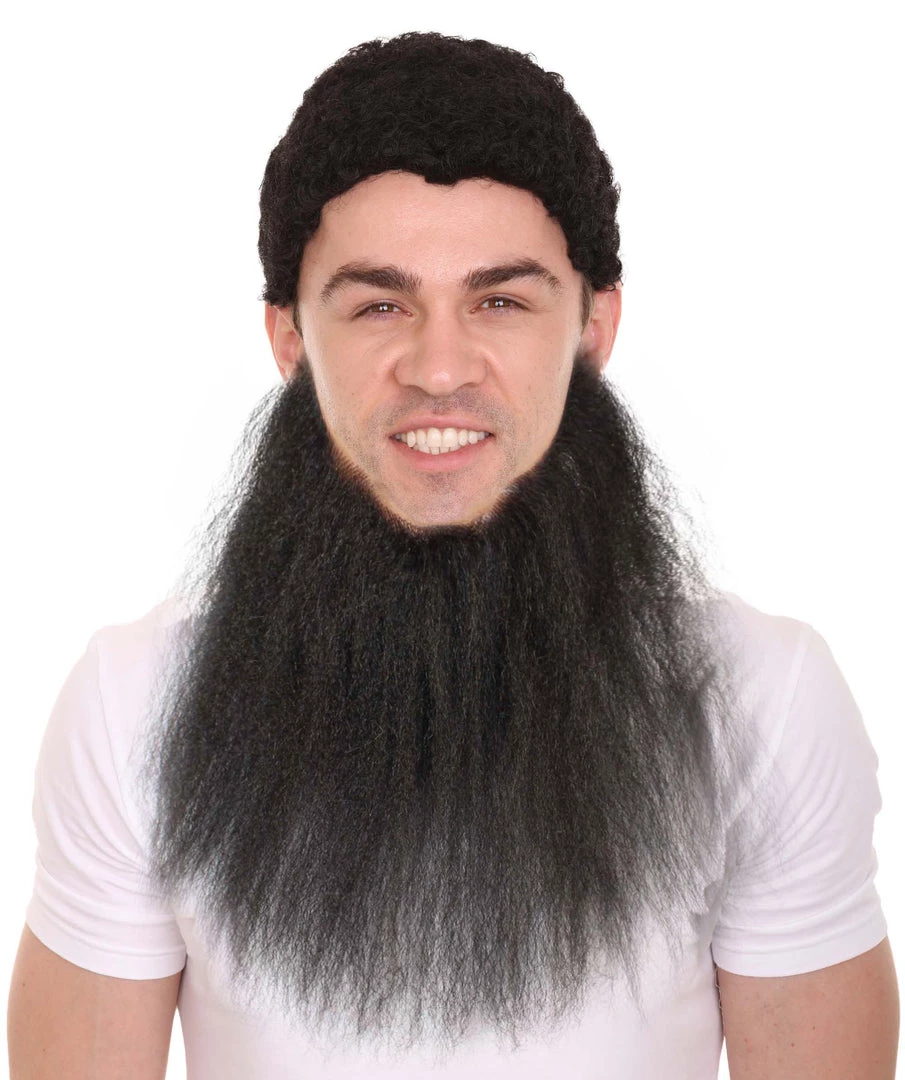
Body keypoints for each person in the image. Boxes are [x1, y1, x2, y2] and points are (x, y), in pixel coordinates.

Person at [7, 30, 898, 1080]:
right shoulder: (133, 702)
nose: (438, 369)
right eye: (379, 304)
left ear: (592, 329)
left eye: (500, 302)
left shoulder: (762, 699)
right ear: (290, 339)